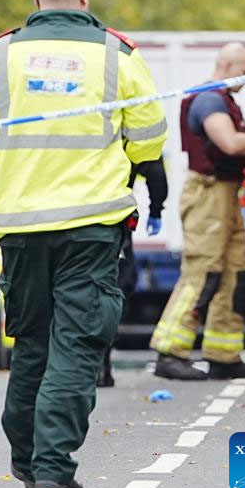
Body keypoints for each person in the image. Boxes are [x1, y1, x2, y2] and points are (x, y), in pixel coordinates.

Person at [0, 0, 167, 488]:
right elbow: (148, 138)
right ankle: (52, 463)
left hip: (21, 225)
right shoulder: (116, 55)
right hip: (92, 225)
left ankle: (26, 458)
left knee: (31, 342)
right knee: (76, 345)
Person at [150, 43, 245, 380]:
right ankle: (169, 351)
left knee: (234, 271)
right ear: (229, 65)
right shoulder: (209, 100)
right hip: (208, 193)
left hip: (226, 192)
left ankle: (223, 354)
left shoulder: (224, 100)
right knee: (203, 272)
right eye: (243, 72)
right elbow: (229, 143)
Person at [99, 156, 168, 388]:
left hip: (49, 223)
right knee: (112, 289)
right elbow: (153, 166)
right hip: (110, 224)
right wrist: (156, 209)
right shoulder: (119, 126)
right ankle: (100, 364)